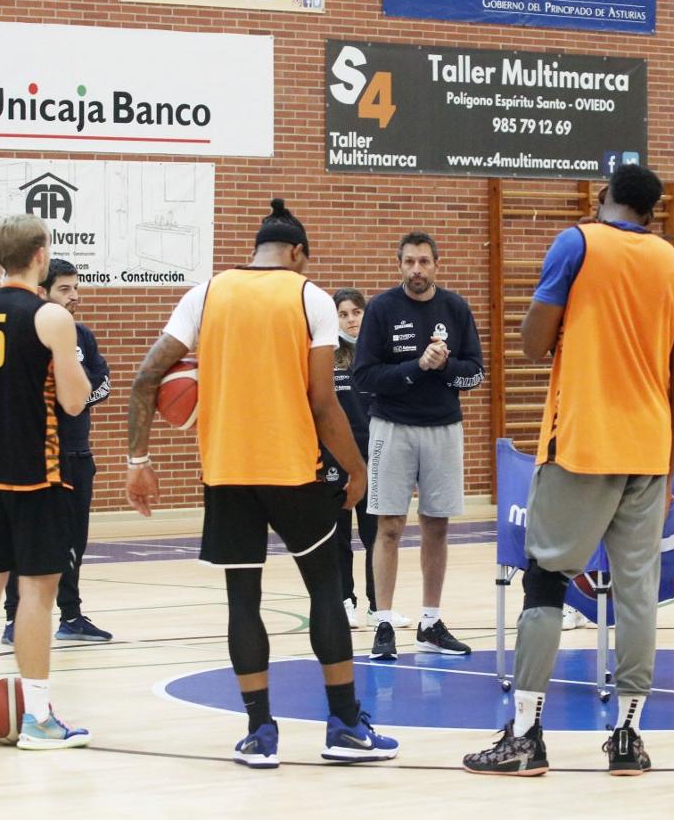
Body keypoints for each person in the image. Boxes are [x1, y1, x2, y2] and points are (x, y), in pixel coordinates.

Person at [127, 198, 398, 768]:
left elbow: (149, 374)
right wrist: (356, 467)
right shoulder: (310, 297)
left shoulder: (206, 294)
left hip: (226, 471)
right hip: (291, 469)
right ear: (297, 253)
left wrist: (138, 460)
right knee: (326, 590)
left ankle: (259, 733)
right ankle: (345, 726)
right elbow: (323, 403)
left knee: (242, 601)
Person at [462, 163, 674, 776]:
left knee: (544, 582)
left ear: (604, 196)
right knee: (637, 594)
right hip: (650, 450)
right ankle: (628, 740)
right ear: (652, 211)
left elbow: (532, 344)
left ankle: (524, 737)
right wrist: (671, 464)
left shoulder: (577, 242)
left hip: (582, 444)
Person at [0, 215, 92, 750]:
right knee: (37, 593)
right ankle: (36, 717)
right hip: (38, 471)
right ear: (40, 255)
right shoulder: (51, 315)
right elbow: (75, 400)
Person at [354, 231, 484, 661]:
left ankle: (430, 622)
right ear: (399, 264)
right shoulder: (381, 309)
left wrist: (445, 366)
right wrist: (415, 367)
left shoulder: (456, 308)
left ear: (436, 264)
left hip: (443, 428)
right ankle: (385, 620)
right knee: (388, 526)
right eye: (409, 262)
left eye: (424, 261)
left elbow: (475, 374)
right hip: (391, 428)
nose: (416, 270)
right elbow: (364, 377)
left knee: (437, 526)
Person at [1, 259, 111, 645]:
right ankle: (15, 618)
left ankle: (71, 615)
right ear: (43, 291)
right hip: (36, 457)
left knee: (74, 541)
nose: (75, 296)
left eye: (76, 288)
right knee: (25, 542)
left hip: (77, 453)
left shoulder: (81, 335)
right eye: (65, 289)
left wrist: (74, 401)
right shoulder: (27, 334)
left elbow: (103, 382)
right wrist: (66, 400)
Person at [331, 288, 380, 629]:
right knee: (338, 536)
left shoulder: (377, 352)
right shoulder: (326, 356)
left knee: (376, 535)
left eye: (356, 312)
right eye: (343, 313)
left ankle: (379, 606)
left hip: (375, 455)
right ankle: (344, 601)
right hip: (335, 458)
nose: (351, 319)